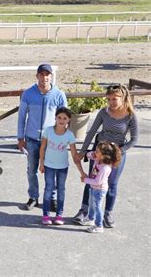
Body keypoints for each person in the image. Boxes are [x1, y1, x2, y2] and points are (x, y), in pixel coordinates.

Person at [72, 84, 138, 227]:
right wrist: (83, 151)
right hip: (99, 152)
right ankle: (84, 210)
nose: (111, 103)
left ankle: (108, 213)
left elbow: (134, 139)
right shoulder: (104, 112)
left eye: (114, 99)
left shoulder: (131, 116)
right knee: (92, 179)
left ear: (123, 98)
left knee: (112, 184)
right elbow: (91, 132)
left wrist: (119, 150)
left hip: (117, 153)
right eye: (108, 99)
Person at [17, 64, 67, 211]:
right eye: (41, 74)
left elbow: (64, 118)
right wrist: (20, 137)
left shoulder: (59, 95)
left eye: (47, 74)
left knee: (52, 170)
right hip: (31, 139)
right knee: (31, 170)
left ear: (51, 76)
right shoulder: (28, 94)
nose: (44, 77)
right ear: (37, 76)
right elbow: (21, 117)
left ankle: (51, 198)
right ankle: (33, 197)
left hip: (51, 140)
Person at [39, 107, 81, 225]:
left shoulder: (70, 135)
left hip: (63, 167)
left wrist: (81, 172)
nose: (61, 120)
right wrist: (41, 163)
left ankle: (59, 215)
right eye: (59, 117)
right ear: (55, 118)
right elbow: (43, 147)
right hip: (49, 165)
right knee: (48, 188)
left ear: (69, 120)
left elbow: (74, 154)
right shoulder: (48, 131)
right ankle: (46, 215)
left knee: (61, 189)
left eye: (65, 118)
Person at [78, 141, 122, 233]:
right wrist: (91, 154)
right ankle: (90, 219)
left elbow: (98, 182)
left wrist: (85, 180)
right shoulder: (98, 160)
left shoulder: (105, 168)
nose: (95, 152)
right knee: (91, 205)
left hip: (99, 190)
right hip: (93, 188)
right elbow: (90, 155)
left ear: (104, 155)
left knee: (97, 207)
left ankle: (99, 226)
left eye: (97, 151)